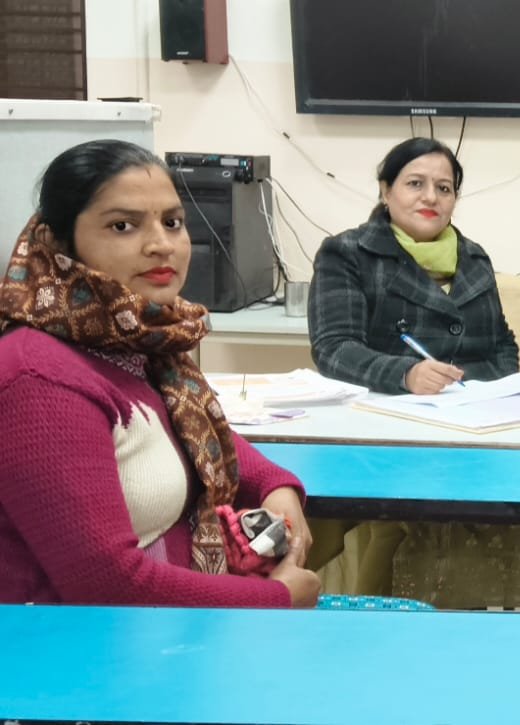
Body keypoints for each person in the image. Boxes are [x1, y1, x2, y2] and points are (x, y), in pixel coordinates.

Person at [0, 140, 319, 608]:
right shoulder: (38, 378)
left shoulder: (136, 344)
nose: (161, 245)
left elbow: (201, 441)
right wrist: (277, 597)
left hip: (164, 631)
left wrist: (278, 486)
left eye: (172, 222)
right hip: (67, 646)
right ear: (59, 244)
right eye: (123, 225)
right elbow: (106, 586)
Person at [306, 137, 520, 609]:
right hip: (381, 437)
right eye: (415, 184)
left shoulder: (474, 257)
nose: (431, 197)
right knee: (400, 518)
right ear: (385, 189)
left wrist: (482, 395)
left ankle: (460, 622)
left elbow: (502, 345)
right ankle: (380, 620)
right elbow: (334, 349)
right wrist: (406, 374)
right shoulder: (347, 253)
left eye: (444, 188)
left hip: (468, 432)